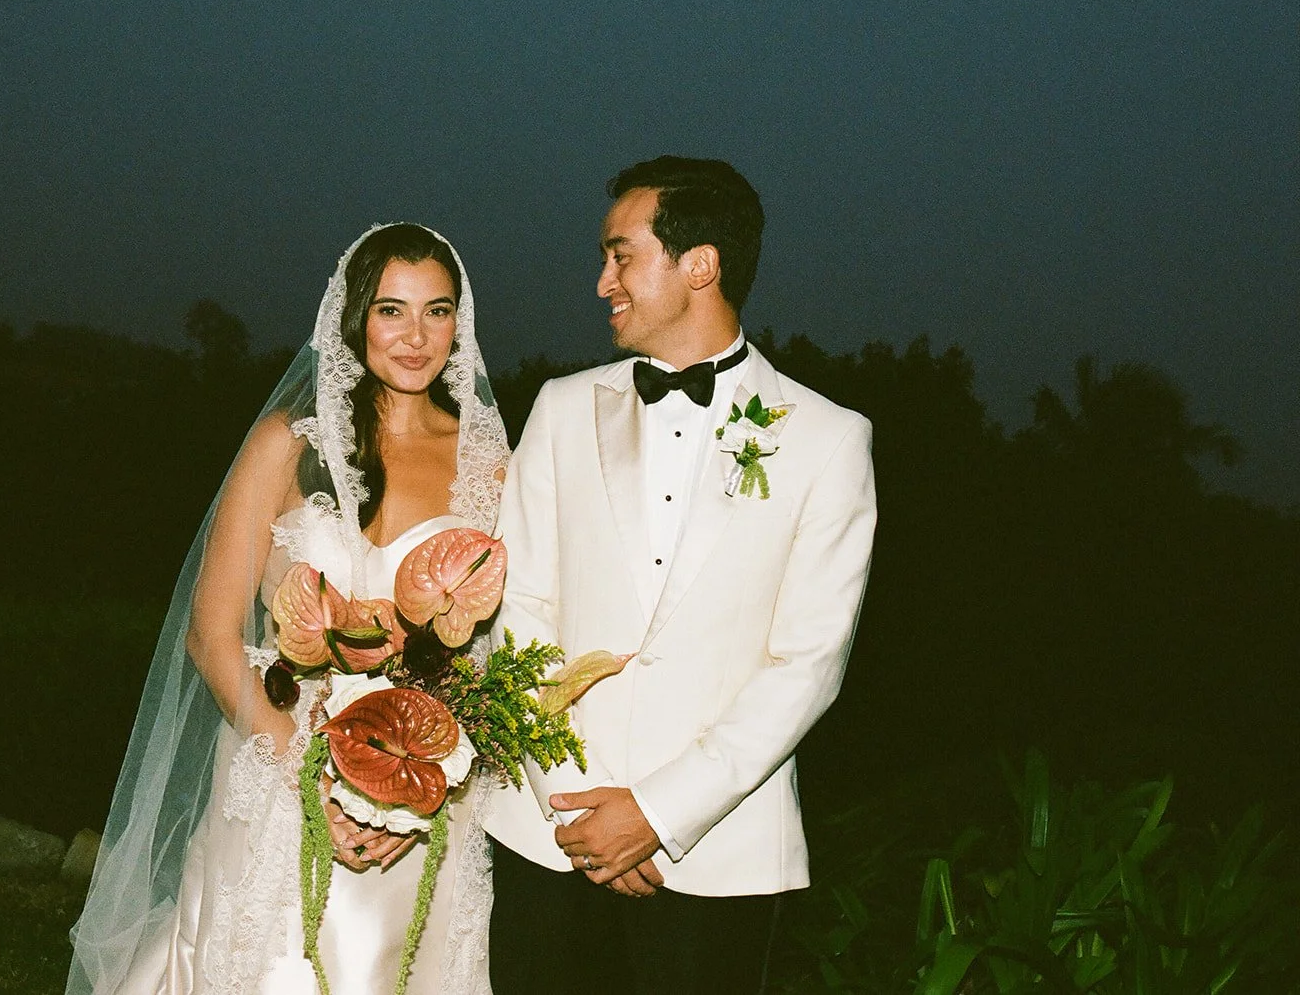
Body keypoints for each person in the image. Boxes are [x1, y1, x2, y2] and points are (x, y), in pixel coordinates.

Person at [67, 224, 509, 995]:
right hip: (279, 771)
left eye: (437, 311)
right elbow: (212, 636)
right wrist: (317, 780)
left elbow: (492, 661)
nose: (415, 336)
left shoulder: (492, 465)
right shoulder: (284, 443)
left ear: (459, 324)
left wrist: (413, 787)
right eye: (390, 310)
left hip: (426, 796)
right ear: (352, 318)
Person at [484, 156, 877, 993]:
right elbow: (519, 610)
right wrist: (582, 807)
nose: (601, 282)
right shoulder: (559, 408)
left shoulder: (829, 439)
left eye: (621, 255)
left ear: (700, 263)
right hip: (547, 835)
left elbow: (807, 665)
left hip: (717, 857)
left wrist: (658, 813)